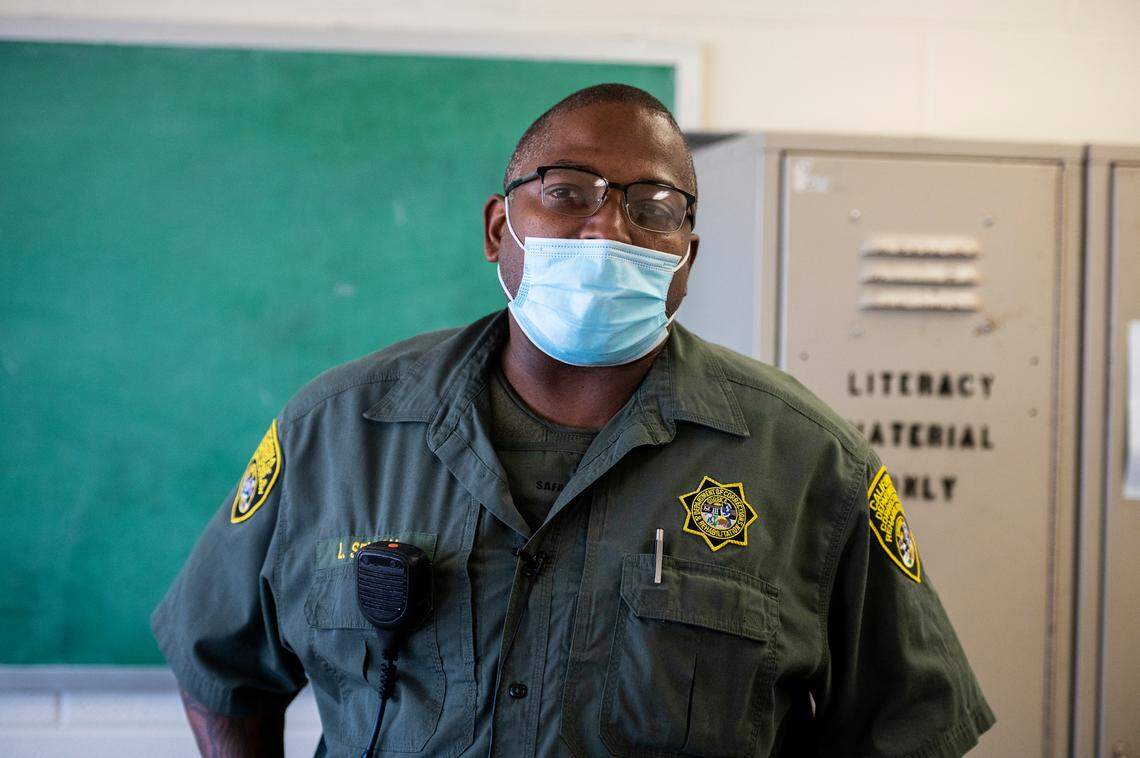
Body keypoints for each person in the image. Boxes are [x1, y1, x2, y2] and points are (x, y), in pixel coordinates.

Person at [153, 83, 995, 757]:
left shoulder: (809, 462)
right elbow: (217, 666)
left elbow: (909, 725)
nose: (607, 228)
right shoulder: (337, 432)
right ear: (499, 228)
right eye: (567, 194)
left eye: (653, 207)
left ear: (688, 260)